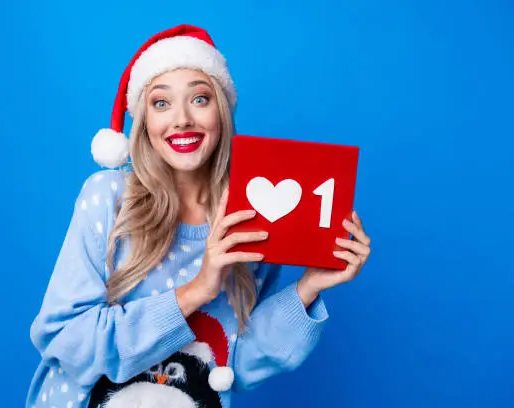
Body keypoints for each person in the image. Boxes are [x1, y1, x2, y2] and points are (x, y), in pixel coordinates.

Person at [25, 24, 371, 408]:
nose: (182, 119)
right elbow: (66, 340)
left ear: (221, 112)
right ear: (143, 122)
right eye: (161, 103)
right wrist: (197, 291)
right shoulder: (107, 197)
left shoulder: (248, 214)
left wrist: (310, 286)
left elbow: (236, 360)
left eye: (200, 99)